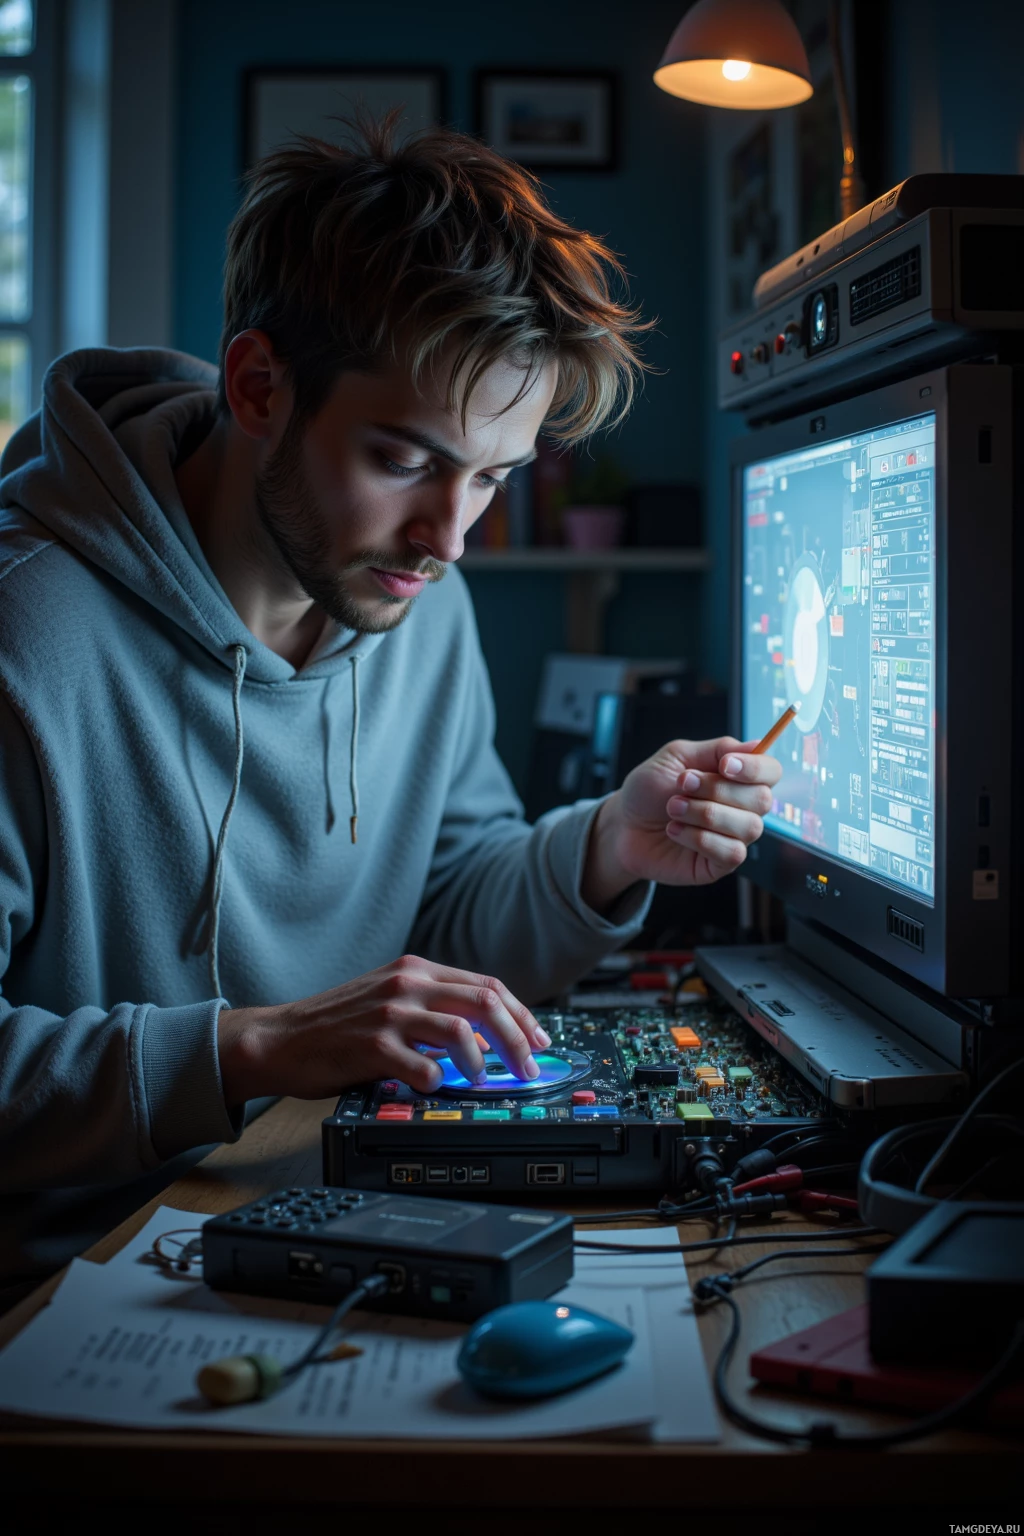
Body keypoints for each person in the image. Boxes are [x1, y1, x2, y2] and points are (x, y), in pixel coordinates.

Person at [0, 118, 780, 1298]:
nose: (451, 539)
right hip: (56, 1300)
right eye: (407, 460)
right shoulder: (24, 630)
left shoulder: (411, 602)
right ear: (260, 385)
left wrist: (607, 847)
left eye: (494, 477)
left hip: (309, 1221)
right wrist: (253, 1045)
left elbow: (453, 920)